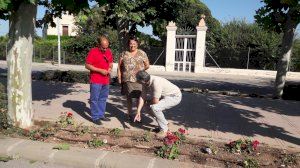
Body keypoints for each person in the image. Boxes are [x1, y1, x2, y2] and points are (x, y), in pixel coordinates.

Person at [134, 70, 182, 136]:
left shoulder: (156, 82)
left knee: (155, 108)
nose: (136, 80)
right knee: (147, 106)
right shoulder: (145, 82)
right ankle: (166, 123)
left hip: (174, 96)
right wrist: (138, 111)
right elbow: (142, 97)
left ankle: (164, 130)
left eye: (137, 79)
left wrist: (148, 103)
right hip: (165, 96)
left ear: (142, 81)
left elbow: (155, 101)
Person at [117, 36, 150, 122]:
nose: (132, 45)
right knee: (129, 98)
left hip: (139, 80)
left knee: (140, 97)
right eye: (131, 44)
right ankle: (129, 114)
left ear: (137, 44)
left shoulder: (142, 53)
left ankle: (138, 115)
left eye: (134, 44)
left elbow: (147, 65)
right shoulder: (123, 53)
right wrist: (119, 77)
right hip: (127, 79)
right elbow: (119, 67)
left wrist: (140, 71)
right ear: (128, 44)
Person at [85, 35, 113, 125]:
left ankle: (101, 115)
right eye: (103, 47)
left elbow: (111, 63)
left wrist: (109, 68)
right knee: (94, 99)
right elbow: (87, 65)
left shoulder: (109, 51)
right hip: (96, 80)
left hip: (106, 80)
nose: (105, 50)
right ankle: (95, 117)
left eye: (106, 47)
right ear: (98, 45)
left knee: (103, 99)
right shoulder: (93, 52)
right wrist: (100, 70)